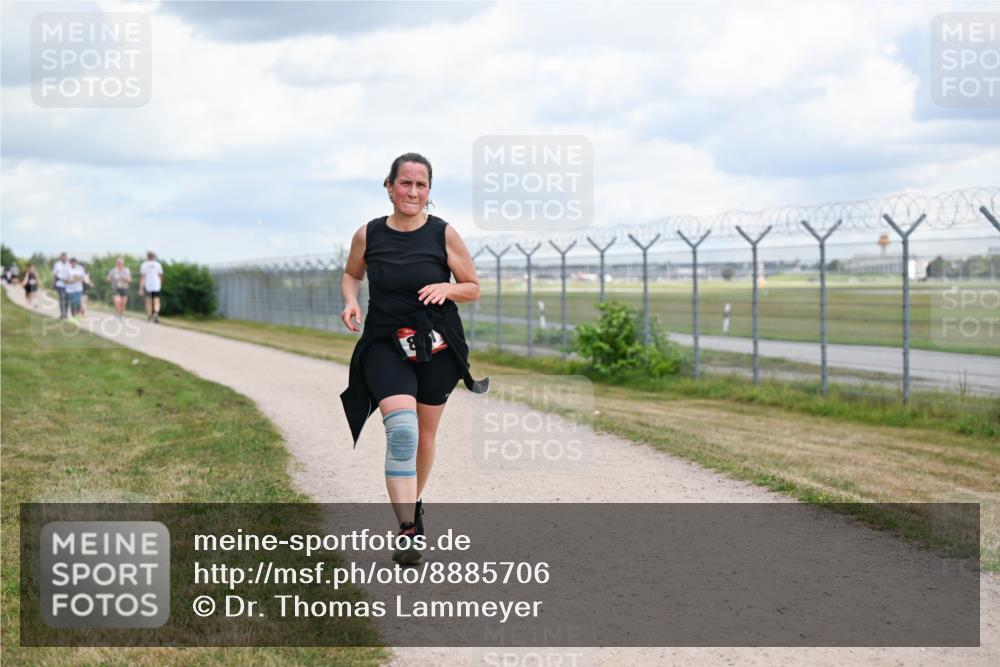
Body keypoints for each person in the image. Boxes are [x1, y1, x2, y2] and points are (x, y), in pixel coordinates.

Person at [339, 152, 490, 565]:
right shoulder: (368, 235)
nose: (412, 191)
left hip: (437, 344)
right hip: (385, 342)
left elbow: (473, 286)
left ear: (429, 191)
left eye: (421, 184)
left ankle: (414, 503)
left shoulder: (444, 235)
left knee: (424, 437)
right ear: (389, 186)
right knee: (402, 432)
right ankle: (407, 528)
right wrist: (351, 300)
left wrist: (448, 288)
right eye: (405, 183)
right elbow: (353, 273)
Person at [139, 251, 164, 323]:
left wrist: (141, 288)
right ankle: (156, 313)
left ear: (147, 256)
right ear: (154, 257)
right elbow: (160, 276)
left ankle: (149, 316)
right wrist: (160, 284)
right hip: (156, 286)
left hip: (148, 286)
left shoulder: (144, 265)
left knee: (148, 302)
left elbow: (143, 277)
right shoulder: (158, 265)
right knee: (156, 301)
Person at [52, 252, 70, 319]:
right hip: (59, 284)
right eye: (62, 257)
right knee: (62, 298)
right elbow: (54, 274)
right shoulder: (57, 264)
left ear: (66, 257)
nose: (63, 258)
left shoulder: (69, 265)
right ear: (60, 257)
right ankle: (63, 314)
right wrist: (53, 284)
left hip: (67, 285)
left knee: (66, 300)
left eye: (65, 257)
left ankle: (65, 313)